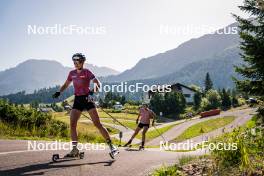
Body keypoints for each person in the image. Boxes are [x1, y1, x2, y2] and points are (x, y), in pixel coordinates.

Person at [52, 53, 118, 157]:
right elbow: (66, 84)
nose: (75, 64)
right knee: (72, 124)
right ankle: (75, 149)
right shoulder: (71, 73)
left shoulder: (87, 72)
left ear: (82, 62)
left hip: (87, 99)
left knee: (97, 124)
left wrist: (92, 93)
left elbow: (98, 83)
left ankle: (112, 146)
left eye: (77, 62)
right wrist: (59, 92)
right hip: (78, 100)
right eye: (74, 62)